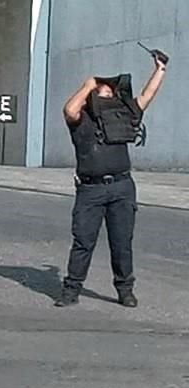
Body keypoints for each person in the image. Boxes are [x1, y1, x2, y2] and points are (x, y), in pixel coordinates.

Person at [55, 50, 167, 308]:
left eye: (110, 92)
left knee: (121, 242)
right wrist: (88, 84)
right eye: (103, 91)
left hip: (121, 187)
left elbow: (146, 97)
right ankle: (71, 291)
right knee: (83, 241)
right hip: (90, 190)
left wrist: (160, 69)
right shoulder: (81, 120)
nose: (108, 94)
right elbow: (69, 109)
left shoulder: (122, 117)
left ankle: (125, 290)